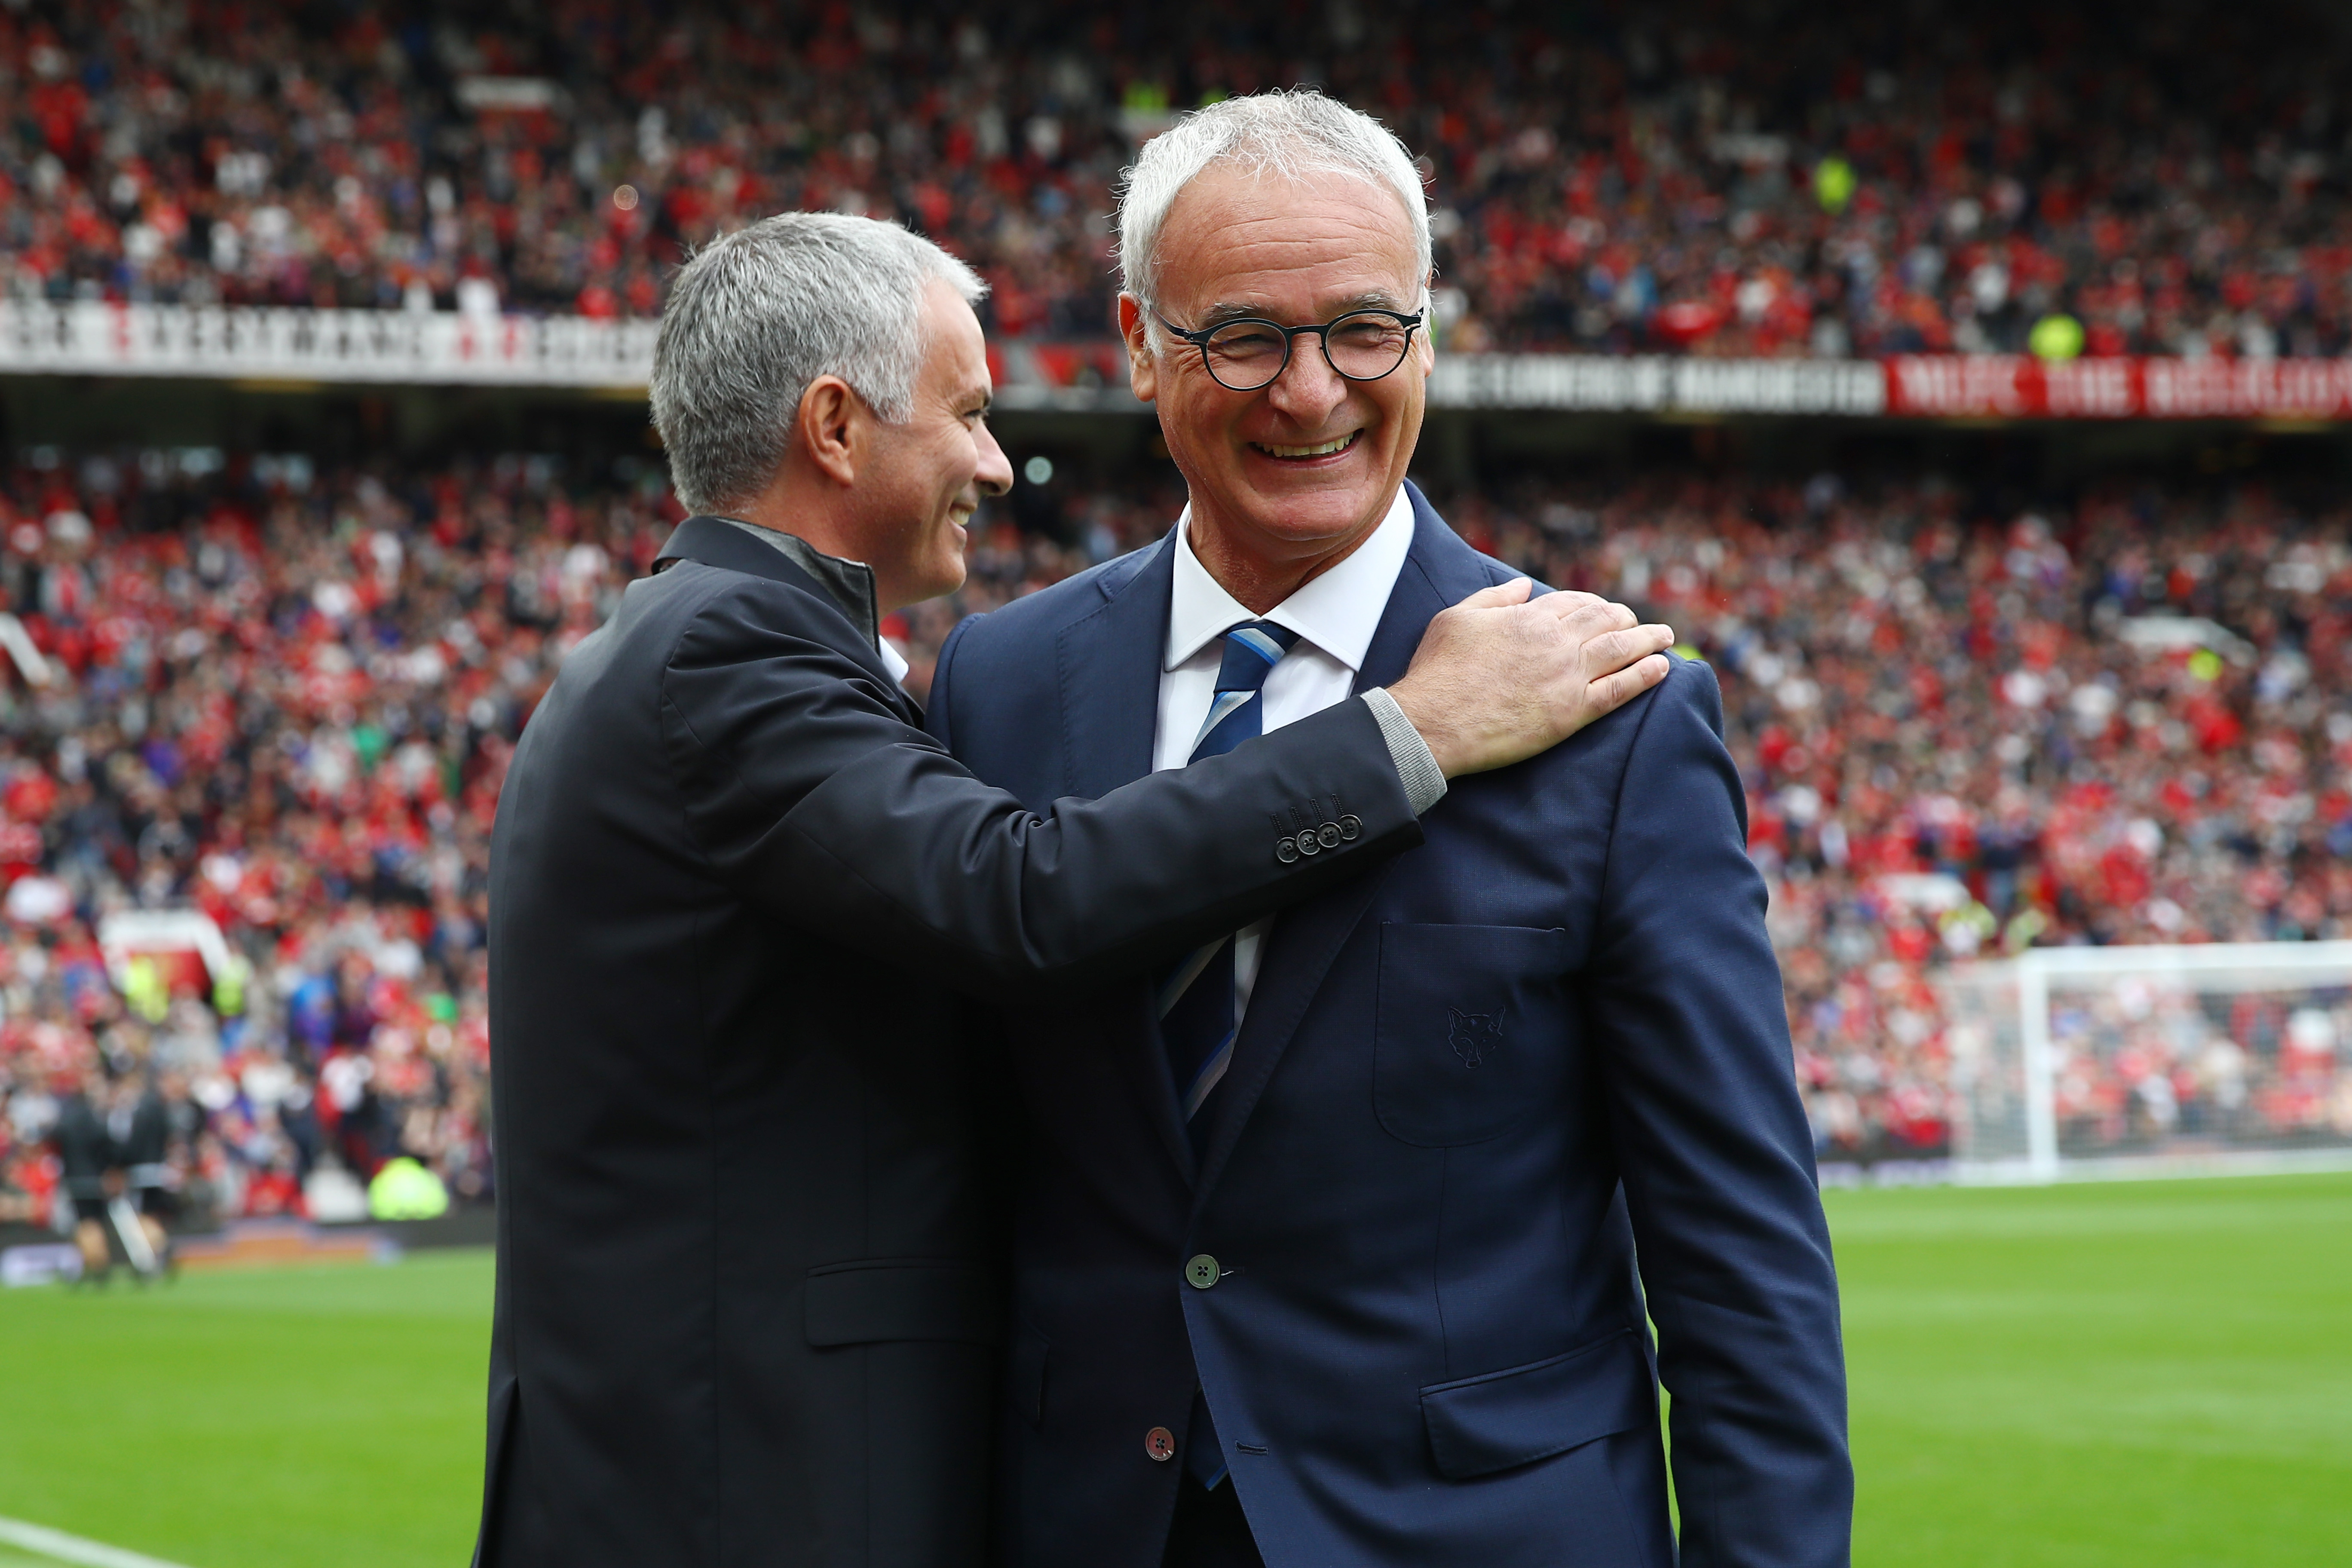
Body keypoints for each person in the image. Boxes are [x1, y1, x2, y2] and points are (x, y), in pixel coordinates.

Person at [475, 211, 1671, 1568]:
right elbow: (1020, 897)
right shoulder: (727, 655)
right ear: (834, 425)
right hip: (738, 1485)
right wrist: (1414, 733)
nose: (996, 462)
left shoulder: (712, 649)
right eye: (970, 414)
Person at [926, 92, 1851, 1568]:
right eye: (1244, 336)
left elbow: (1741, 1265)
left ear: (1428, 332)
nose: (1313, 392)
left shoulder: (1618, 713)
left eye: (1368, 329)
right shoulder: (1002, 682)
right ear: (1137, 344)